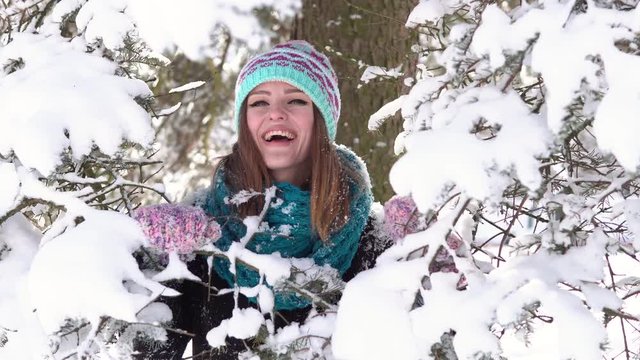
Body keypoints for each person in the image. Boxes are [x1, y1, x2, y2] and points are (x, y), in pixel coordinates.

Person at [138, 40, 375, 359]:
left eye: (296, 101)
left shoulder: (369, 239)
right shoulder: (197, 234)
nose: (276, 113)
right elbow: (141, 344)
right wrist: (142, 253)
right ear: (245, 123)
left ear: (321, 120)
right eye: (259, 102)